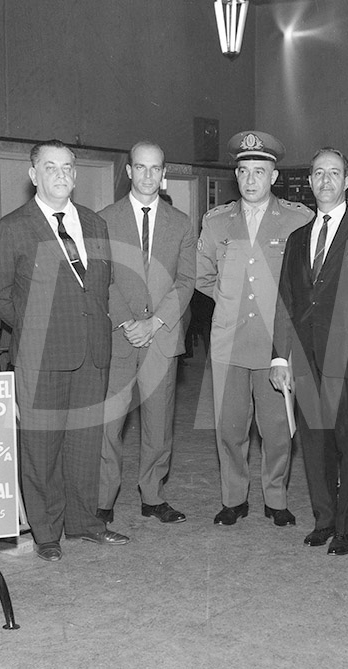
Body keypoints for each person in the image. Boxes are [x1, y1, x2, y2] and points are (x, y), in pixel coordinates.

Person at [0, 139, 129, 562]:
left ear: (76, 175)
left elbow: (100, 288)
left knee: (85, 443)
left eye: (68, 167)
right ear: (33, 175)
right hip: (41, 355)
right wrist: (34, 324)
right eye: (51, 167)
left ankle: (84, 523)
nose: (61, 175)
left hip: (92, 354)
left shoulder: (94, 224)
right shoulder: (13, 227)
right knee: (41, 446)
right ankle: (46, 533)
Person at [270, 147, 348, 556]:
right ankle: (323, 519)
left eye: (334, 173)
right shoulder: (298, 237)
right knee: (315, 441)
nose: (325, 180)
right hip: (304, 356)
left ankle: (347, 526)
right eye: (318, 173)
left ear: (346, 181)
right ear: (309, 181)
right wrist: (280, 357)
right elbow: (286, 300)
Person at [197, 130, 312, 527]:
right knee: (229, 427)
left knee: (277, 428)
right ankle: (234, 498)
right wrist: (232, 301)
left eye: (259, 172)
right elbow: (203, 276)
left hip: (275, 344)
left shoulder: (299, 220)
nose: (250, 180)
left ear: (274, 176)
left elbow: (306, 282)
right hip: (228, 339)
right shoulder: (217, 222)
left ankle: (275, 498)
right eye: (243, 171)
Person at [96, 141, 196, 526]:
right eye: (141, 167)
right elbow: (100, 277)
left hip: (162, 336)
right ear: (128, 171)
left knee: (159, 422)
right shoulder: (103, 219)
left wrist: (155, 323)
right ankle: (103, 501)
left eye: (155, 168)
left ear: (164, 172)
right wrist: (127, 321)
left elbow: (187, 280)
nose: (148, 175)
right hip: (120, 337)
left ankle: (153, 496)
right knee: (109, 425)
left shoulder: (181, 222)